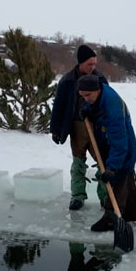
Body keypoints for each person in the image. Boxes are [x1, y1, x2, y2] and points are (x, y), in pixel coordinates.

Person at [76, 74, 136, 232]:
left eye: (88, 95)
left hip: (123, 150)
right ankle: (131, 214)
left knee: (118, 179)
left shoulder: (112, 106)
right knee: (126, 180)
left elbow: (119, 142)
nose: (86, 98)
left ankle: (111, 218)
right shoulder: (99, 96)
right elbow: (93, 106)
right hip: (111, 145)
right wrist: (86, 110)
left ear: (97, 90)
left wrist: (111, 167)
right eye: (82, 96)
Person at [50, 44, 109, 211]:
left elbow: (108, 104)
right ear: (81, 63)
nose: (93, 67)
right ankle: (77, 196)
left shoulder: (100, 79)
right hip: (76, 126)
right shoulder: (68, 80)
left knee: (102, 162)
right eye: (90, 64)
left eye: (95, 64)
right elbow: (59, 106)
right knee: (78, 163)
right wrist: (55, 128)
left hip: (97, 127)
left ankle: (105, 197)